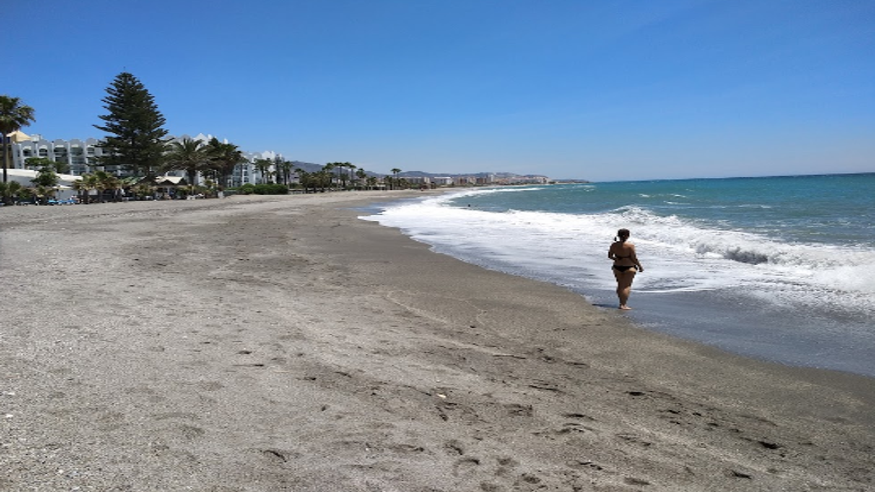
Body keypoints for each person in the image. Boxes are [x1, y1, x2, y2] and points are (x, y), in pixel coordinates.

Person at [608, 228, 644, 310]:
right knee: (626, 286)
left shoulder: (614, 245)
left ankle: (621, 303)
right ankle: (623, 304)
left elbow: (610, 256)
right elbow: (634, 258)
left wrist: (616, 259)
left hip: (617, 267)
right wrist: (640, 266)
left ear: (618, 235)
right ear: (628, 236)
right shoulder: (630, 246)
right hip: (629, 267)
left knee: (620, 285)